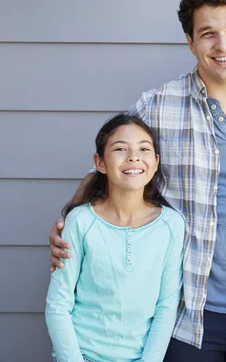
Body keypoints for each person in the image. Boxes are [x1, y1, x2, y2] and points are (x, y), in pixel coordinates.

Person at [49, 0, 226, 361]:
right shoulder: (158, 106)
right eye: (208, 33)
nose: (223, 45)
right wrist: (68, 222)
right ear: (190, 41)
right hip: (189, 312)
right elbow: (114, 169)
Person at [45, 113, 185, 362]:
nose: (133, 157)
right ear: (100, 163)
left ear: (155, 162)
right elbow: (58, 304)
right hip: (82, 355)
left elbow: (165, 306)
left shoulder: (171, 226)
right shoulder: (81, 221)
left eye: (143, 149)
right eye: (120, 149)